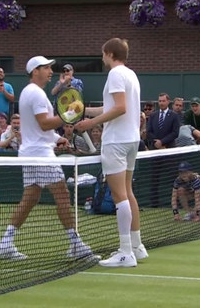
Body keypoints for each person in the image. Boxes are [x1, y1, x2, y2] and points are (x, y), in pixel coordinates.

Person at [0, 56, 94, 261]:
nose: (50, 71)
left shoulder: (31, 93)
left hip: (32, 151)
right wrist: (69, 114)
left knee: (30, 198)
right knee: (63, 195)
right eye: (46, 68)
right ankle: (75, 244)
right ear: (35, 71)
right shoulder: (36, 94)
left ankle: (5, 242)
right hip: (39, 154)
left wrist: (58, 139)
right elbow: (44, 124)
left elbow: (38, 129)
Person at [75, 38, 148, 267]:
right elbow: (114, 106)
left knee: (119, 196)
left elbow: (119, 108)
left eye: (103, 54)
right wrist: (84, 110)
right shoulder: (131, 74)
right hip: (131, 140)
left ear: (109, 53)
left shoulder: (115, 74)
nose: (102, 57)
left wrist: (91, 123)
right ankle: (137, 246)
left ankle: (125, 252)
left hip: (116, 142)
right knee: (127, 192)